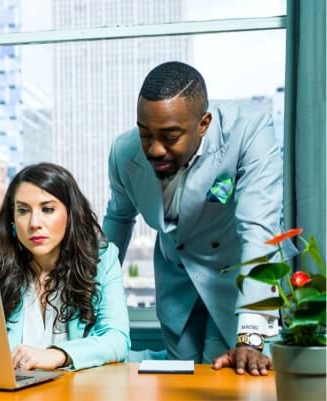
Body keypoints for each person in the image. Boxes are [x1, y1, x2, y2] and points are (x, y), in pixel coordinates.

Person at [103, 61, 291, 375]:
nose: (155, 149)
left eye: (170, 136)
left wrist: (250, 334)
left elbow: (259, 230)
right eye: (145, 133)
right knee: (182, 385)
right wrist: (87, 292)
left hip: (239, 282)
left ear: (203, 124)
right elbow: (118, 220)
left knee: (237, 380)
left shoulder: (249, 129)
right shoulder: (124, 152)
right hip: (177, 285)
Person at [0, 162, 130, 371]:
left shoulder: (102, 259)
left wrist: (58, 355)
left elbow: (117, 339)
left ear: (70, 215)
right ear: (13, 220)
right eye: (23, 210)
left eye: (48, 209)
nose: (34, 223)